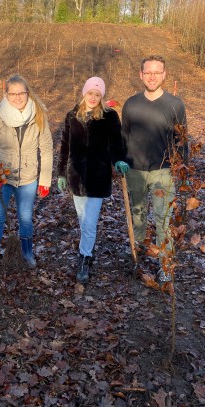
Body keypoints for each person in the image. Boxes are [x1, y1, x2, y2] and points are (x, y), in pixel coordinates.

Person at [121, 55, 188, 283]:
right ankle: (138, 256)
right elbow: (124, 137)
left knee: (163, 220)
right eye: (148, 72)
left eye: (157, 72)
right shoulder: (131, 104)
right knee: (138, 217)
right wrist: (121, 162)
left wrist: (183, 171)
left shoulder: (175, 104)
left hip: (164, 171)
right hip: (135, 171)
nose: (152, 76)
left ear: (164, 74)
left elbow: (182, 140)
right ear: (141, 75)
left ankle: (165, 265)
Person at [57, 76, 128, 284]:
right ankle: (87, 249)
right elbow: (64, 146)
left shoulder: (109, 116)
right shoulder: (72, 115)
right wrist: (61, 172)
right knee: (83, 221)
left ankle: (84, 259)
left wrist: (119, 161)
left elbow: (116, 143)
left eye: (98, 95)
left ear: (102, 97)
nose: (94, 98)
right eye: (91, 93)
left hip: (98, 176)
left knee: (89, 223)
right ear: (84, 93)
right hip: (76, 176)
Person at [0, 74, 53, 273]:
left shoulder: (38, 114)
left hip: (28, 179)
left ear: (27, 92)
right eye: (12, 94)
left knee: (25, 217)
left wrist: (45, 179)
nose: (17, 97)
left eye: (21, 93)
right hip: (1, 179)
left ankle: (27, 253)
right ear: (6, 94)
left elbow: (46, 147)